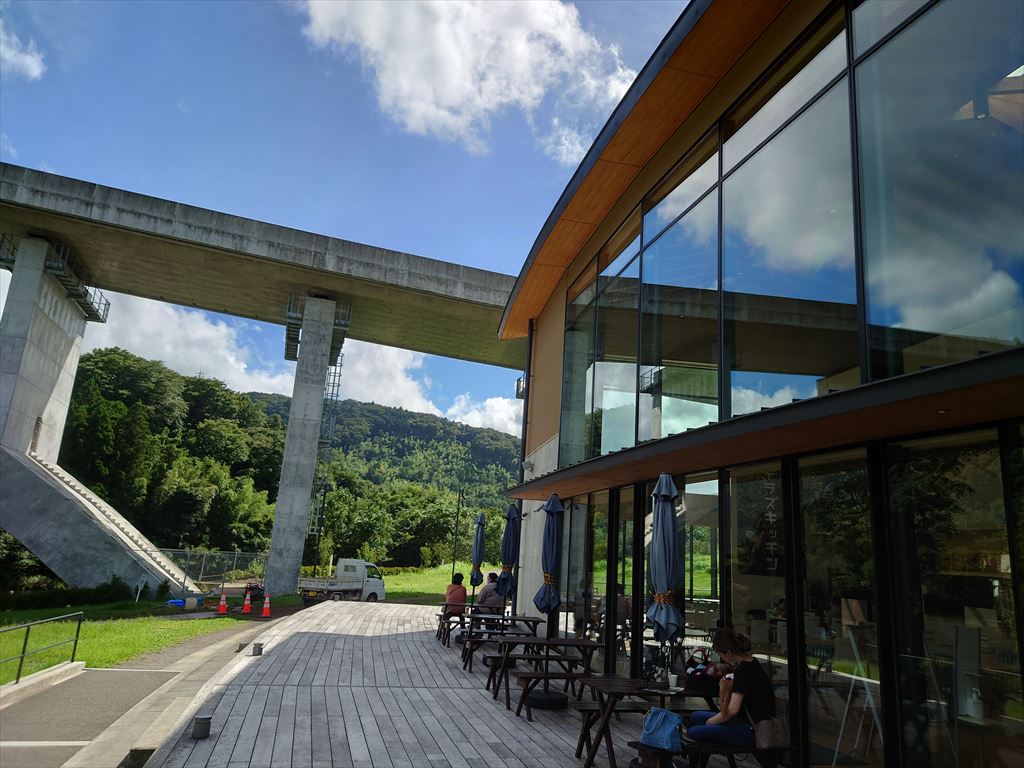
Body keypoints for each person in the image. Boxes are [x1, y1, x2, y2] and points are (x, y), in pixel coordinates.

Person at [685, 628, 775, 748]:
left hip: (750, 729)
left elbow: (732, 710)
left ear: (728, 652)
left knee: (693, 732)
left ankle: (699, 753)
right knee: (696, 716)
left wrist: (711, 722)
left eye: (720, 654)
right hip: (746, 720)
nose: (721, 657)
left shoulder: (742, 672)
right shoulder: (752, 663)